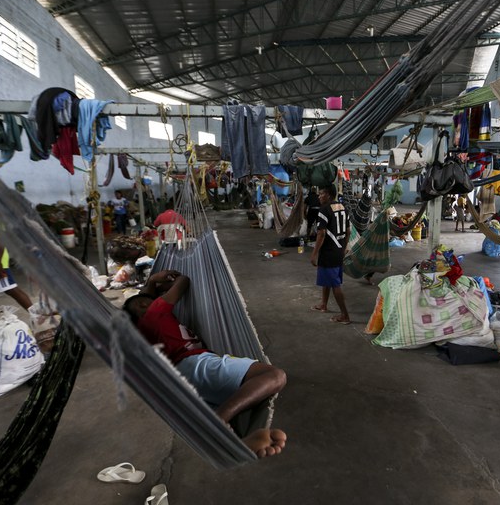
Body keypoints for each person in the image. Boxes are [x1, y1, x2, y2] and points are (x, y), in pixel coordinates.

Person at [123, 270, 287, 458]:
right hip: (196, 364)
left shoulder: (144, 330)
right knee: (274, 376)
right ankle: (218, 420)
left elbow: (145, 296)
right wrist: (171, 280)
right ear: (145, 306)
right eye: (152, 299)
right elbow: (183, 283)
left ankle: (240, 439)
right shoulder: (153, 313)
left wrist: (152, 281)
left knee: (240, 401)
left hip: (184, 382)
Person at [310, 184, 350, 324]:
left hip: (329, 252)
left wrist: (314, 254)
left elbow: (321, 233)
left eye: (321, 193)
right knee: (328, 279)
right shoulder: (342, 207)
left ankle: (345, 315)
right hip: (338, 251)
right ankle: (324, 304)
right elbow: (348, 230)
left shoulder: (324, 210)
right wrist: (344, 247)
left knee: (335, 284)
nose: (319, 196)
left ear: (328, 195)